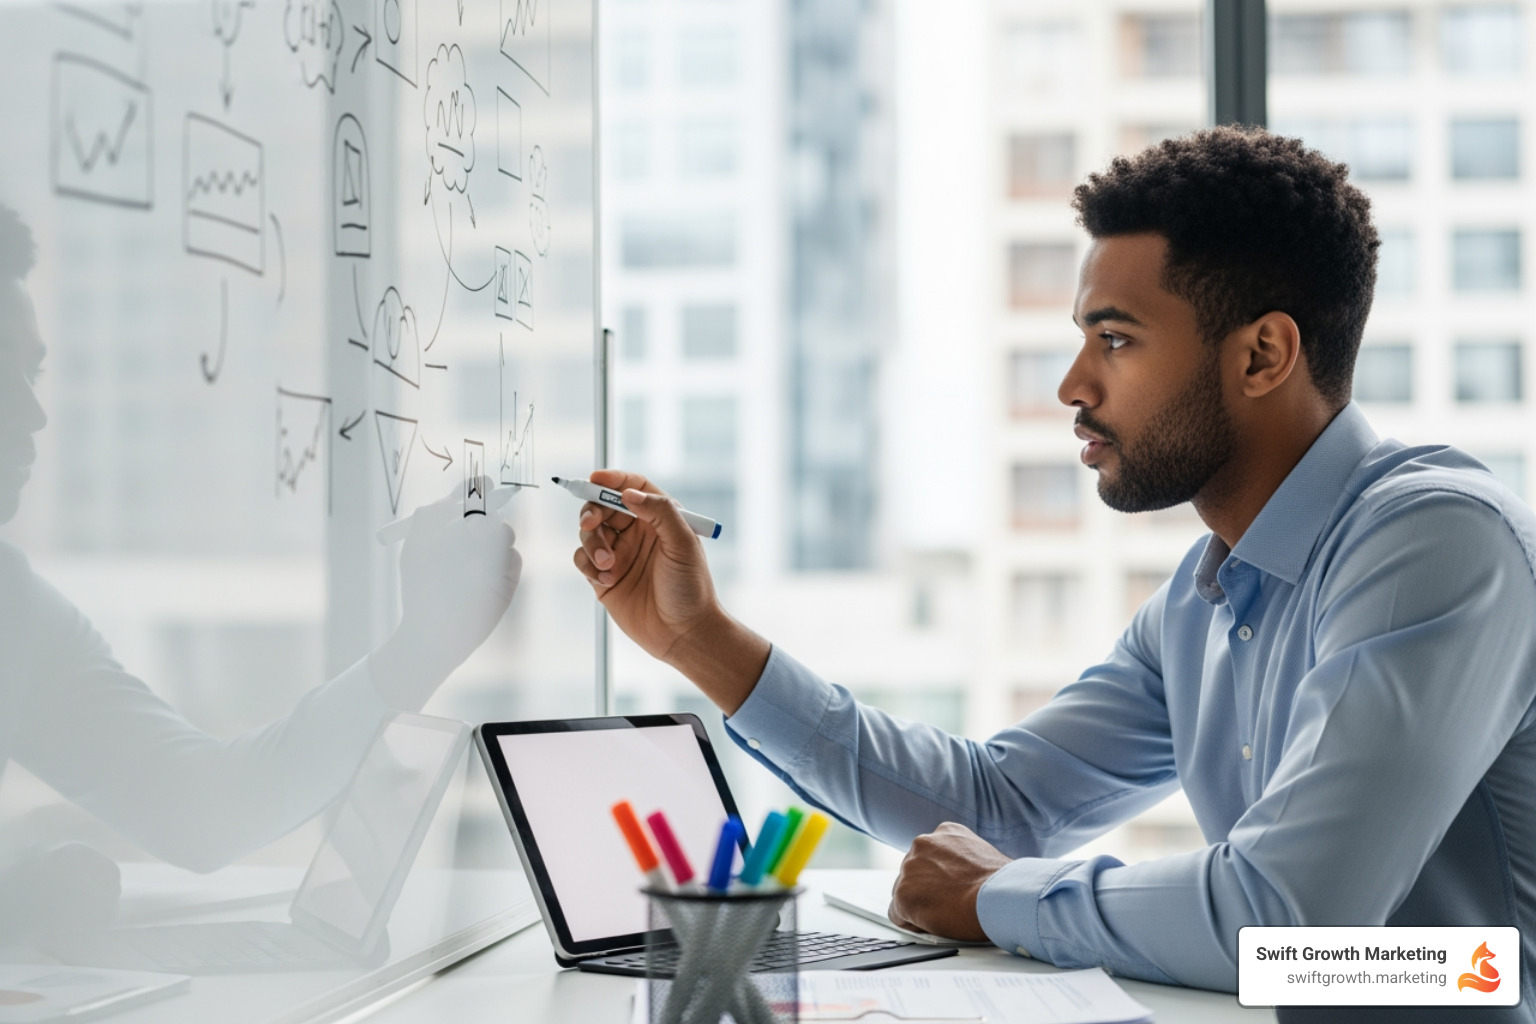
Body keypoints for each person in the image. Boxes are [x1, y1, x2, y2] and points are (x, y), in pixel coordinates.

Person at [571, 127, 1536, 1010]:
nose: (1073, 385)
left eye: (1114, 339)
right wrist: (701, 641)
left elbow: (1289, 923)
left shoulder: (1434, 546)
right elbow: (1002, 806)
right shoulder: (1205, 601)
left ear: (1263, 355)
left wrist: (1000, 898)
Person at [0, 203, 522, 938]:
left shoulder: (12, 610)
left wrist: (422, 647)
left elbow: (203, 809)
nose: (32, 416)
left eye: (31, 371)